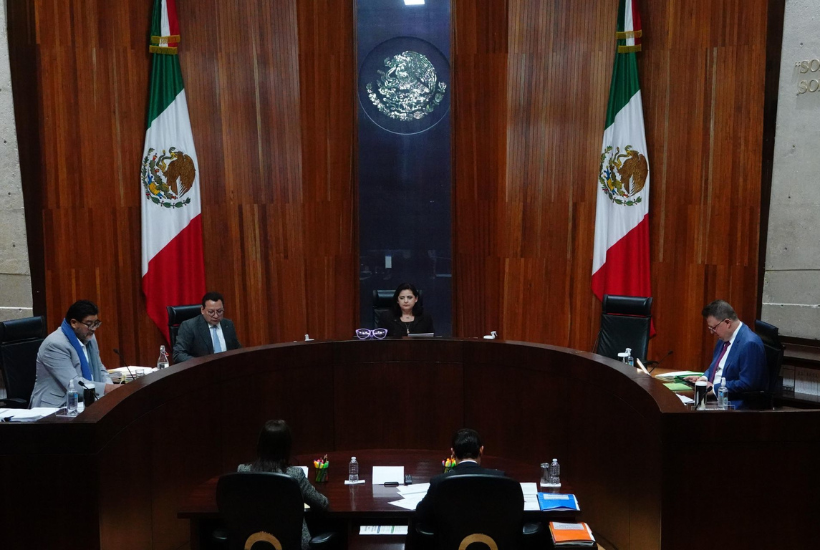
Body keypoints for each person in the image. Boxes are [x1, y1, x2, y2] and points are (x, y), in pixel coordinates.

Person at [238, 420, 329, 550]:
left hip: (252, 543)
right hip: (292, 545)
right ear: (287, 448)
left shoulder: (243, 471)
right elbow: (322, 504)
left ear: (260, 444)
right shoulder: (295, 475)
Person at [30, 300, 119, 408]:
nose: (94, 329)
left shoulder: (90, 338)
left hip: (85, 401)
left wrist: (112, 389)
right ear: (73, 323)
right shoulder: (55, 345)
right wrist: (107, 388)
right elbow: (74, 384)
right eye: (89, 324)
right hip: (56, 407)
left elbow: (100, 368)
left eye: (96, 323)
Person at [684, 300, 768, 409]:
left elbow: (747, 384)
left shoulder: (749, 344)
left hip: (733, 405)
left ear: (727, 323)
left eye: (713, 328)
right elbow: (714, 367)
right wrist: (704, 379)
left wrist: (714, 388)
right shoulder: (723, 339)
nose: (711, 332)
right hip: (714, 399)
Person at [414, 428, 504, 528]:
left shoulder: (439, 482)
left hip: (449, 542)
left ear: (452, 452)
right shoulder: (500, 479)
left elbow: (421, 514)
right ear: (481, 450)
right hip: (491, 541)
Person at [172, 291, 241, 363]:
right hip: (201, 370)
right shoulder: (190, 326)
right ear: (202, 310)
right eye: (211, 312)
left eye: (219, 311)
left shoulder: (228, 324)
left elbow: (237, 349)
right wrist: (200, 363)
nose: (216, 316)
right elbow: (178, 354)